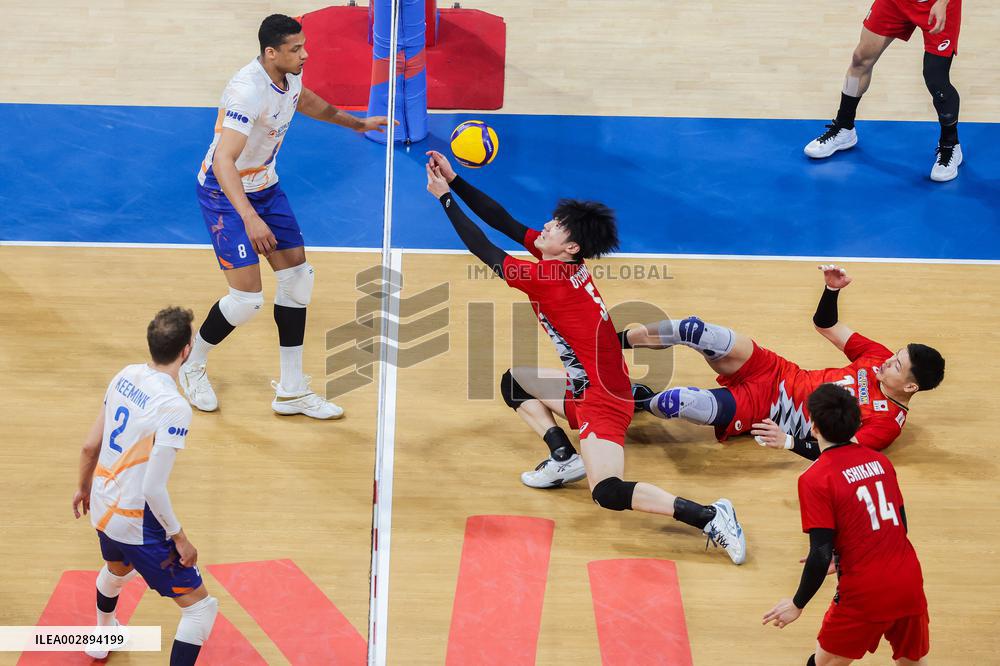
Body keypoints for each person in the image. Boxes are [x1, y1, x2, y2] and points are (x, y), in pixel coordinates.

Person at [425, 150, 746, 564]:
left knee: (607, 491)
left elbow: (487, 250)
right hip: (592, 384)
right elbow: (503, 222)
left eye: (554, 226)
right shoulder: (562, 263)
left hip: (604, 398)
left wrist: (445, 199)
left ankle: (709, 516)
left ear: (571, 245)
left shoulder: (549, 280)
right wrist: (457, 181)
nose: (544, 226)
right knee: (514, 383)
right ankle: (563, 456)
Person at [182, 14, 392, 418]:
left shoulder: (288, 76)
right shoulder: (247, 91)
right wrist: (249, 218)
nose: (305, 54)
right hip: (225, 194)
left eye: (304, 45)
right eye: (296, 49)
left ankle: (292, 391)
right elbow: (225, 160)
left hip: (265, 187)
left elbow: (308, 101)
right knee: (246, 301)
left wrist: (358, 124)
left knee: (297, 278)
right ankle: (192, 365)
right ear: (270, 52)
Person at [625, 265, 945, 459]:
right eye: (895, 356)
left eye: (897, 366)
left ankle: (638, 399)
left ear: (911, 386)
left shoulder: (886, 423)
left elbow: (837, 453)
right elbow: (827, 326)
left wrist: (788, 440)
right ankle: (612, 342)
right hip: (775, 370)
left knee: (676, 401)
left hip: (768, 410)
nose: (887, 362)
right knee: (696, 331)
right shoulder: (876, 357)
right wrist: (831, 290)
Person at [72, 307, 218, 664]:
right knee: (200, 610)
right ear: (186, 350)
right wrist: (179, 535)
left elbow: (90, 446)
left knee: (116, 571)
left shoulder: (125, 375)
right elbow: (154, 488)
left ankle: (102, 637)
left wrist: (83, 487)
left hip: (104, 506)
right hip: (138, 520)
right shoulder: (173, 406)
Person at [762, 383, 929, 665]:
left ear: (813, 428)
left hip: (865, 594)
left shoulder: (815, 479)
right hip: (909, 581)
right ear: (857, 422)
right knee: (912, 663)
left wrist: (797, 603)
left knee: (822, 664)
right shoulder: (881, 462)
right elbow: (900, 526)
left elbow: (819, 553)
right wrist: (844, 553)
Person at [803, 0, 963, 182]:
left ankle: (950, 145)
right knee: (860, 58)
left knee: (936, 79)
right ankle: (844, 127)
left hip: (937, 4)